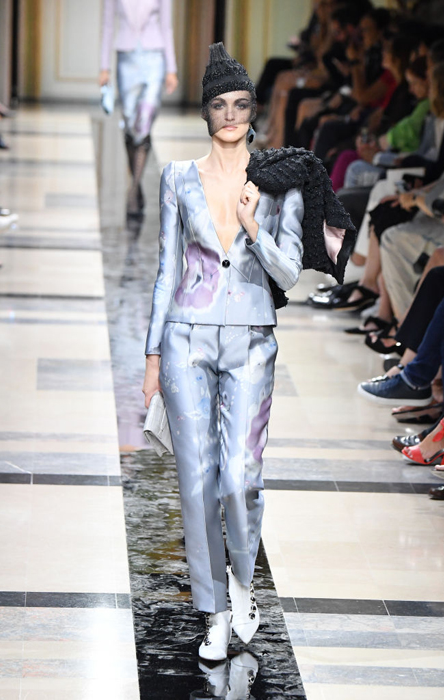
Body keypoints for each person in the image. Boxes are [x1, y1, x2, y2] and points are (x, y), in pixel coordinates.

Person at [142, 43, 354, 661]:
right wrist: (152, 356)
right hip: (185, 335)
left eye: (240, 104)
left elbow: (288, 275)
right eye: (220, 105)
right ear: (206, 113)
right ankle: (212, 612)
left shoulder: (278, 184)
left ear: (253, 111)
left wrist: (255, 225)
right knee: (196, 479)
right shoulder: (177, 178)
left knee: (240, 477)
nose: (230, 115)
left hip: (253, 337)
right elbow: (166, 269)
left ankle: (241, 581)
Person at [99, 0, 178, 217]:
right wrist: (104, 67)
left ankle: (133, 189)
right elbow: (107, 25)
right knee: (130, 122)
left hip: (155, 57)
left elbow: (166, 26)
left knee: (145, 121)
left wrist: (171, 69)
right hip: (126, 58)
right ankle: (136, 181)